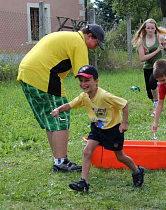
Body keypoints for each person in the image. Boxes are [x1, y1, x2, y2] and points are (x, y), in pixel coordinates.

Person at [17, 24, 105, 173]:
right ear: (89, 36)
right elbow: (85, 74)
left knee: (51, 116)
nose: (95, 47)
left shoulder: (68, 37)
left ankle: (59, 160)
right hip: (43, 74)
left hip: (26, 74)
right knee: (61, 114)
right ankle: (61, 162)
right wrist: (98, 97)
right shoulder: (79, 43)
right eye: (96, 43)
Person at [51, 65, 145, 193]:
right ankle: (83, 182)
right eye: (81, 81)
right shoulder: (84, 96)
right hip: (96, 128)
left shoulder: (104, 96)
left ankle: (137, 171)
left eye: (87, 80)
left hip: (112, 129)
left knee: (120, 156)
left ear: (96, 81)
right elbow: (70, 105)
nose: (83, 84)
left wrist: (125, 123)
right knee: (87, 151)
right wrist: (58, 109)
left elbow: (124, 104)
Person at [132, 18, 166, 116]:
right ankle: (156, 105)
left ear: (155, 28)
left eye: (152, 28)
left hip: (158, 65)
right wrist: (157, 51)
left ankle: (156, 105)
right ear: (145, 29)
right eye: (148, 28)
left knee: (152, 83)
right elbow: (142, 58)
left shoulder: (160, 38)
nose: (150, 30)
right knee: (149, 93)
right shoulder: (141, 41)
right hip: (147, 67)